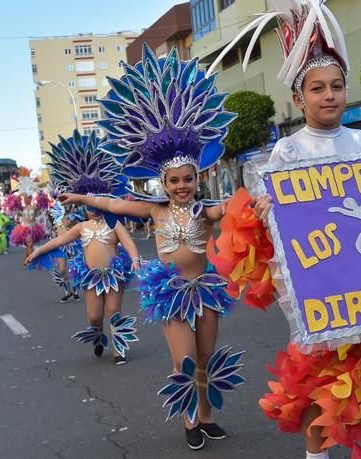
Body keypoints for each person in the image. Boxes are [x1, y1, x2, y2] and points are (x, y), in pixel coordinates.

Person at [207, 3, 361, 458]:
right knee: (325, 386)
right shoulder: (286, 152)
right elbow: (280, 231)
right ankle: (316, 455)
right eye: (317, 88)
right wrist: (265, 211)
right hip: (324, 287)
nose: (329, 96)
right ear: (300, 99)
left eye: (337, 86)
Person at [59, 45, 244, 450]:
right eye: (174, 180)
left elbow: (230, 207)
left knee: (207, 360)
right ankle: (190, 421)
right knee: (185, 360)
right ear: (163, 182)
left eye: (187, 179)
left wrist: (263, 199)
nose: (181, 186)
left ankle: (208, 417)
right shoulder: (154, 209)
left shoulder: (204, 209)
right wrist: (81, 198)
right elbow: (112, 204)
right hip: (171, 293)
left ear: (198, 178)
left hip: (207, 290)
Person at [26, 130, 140, 364]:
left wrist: (136, 259)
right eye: (86, 203)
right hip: (91, 277)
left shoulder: (114, 223)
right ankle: (98, 336)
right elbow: (58, 241)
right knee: (94, 315)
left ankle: (119, 350)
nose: (91, 207)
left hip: (114, 274)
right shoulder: (81, 227)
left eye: (94, 201)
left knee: (114, 313)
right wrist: (37, 251)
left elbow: (128, 242)